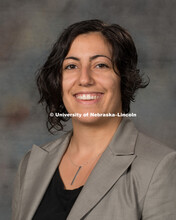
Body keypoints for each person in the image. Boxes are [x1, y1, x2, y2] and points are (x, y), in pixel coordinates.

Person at [12, 20, 176, 220]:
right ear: (58, 81)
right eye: (71, 66)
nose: (85, 79)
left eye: (100, 65)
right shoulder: (31, 164)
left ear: (123, 78)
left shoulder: (160, 166)